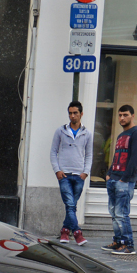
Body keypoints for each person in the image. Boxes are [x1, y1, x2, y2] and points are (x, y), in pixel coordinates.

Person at [102, 105, 137, 256]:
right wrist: (109, 174)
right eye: (120, 115)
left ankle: (128, 245)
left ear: (132, 116)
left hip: (124, 181)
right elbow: (116, 156)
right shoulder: (121, 135)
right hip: (113, 178)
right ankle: (118, 241)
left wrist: (124, 179)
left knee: (122, 213)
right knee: (114, 213)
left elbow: (135, 159)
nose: (122, 118)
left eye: (125, 115)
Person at [50, 101, 93, 245]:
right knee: (70, 204)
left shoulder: (87, 134)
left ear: (81, 114)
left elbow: (89, 155)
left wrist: (85, 172)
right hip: (64, 175)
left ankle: (64, 231)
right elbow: (53, 152)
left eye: (75, 113)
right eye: (70, 113)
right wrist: (57, 170)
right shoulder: (60, 131)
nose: (72, 116)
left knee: (72, 206)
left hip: (79, 175)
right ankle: (77, 233)